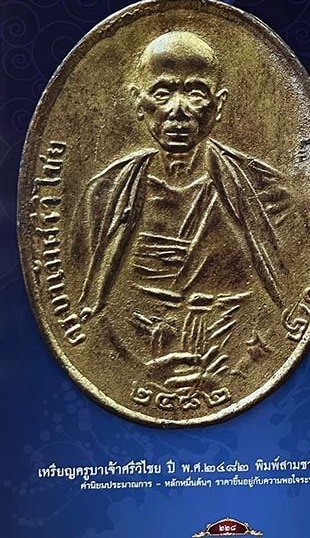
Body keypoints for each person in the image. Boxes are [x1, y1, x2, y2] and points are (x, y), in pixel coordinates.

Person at [73, 31, 291, 404]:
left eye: (195, 92)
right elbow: (88, 312)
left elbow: (283, 303)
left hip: (233, 357)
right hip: (136, 356)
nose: (178, 109)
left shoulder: (268, 194)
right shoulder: (103, 195)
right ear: (138, 102)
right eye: (162, 93)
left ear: (218, 105)